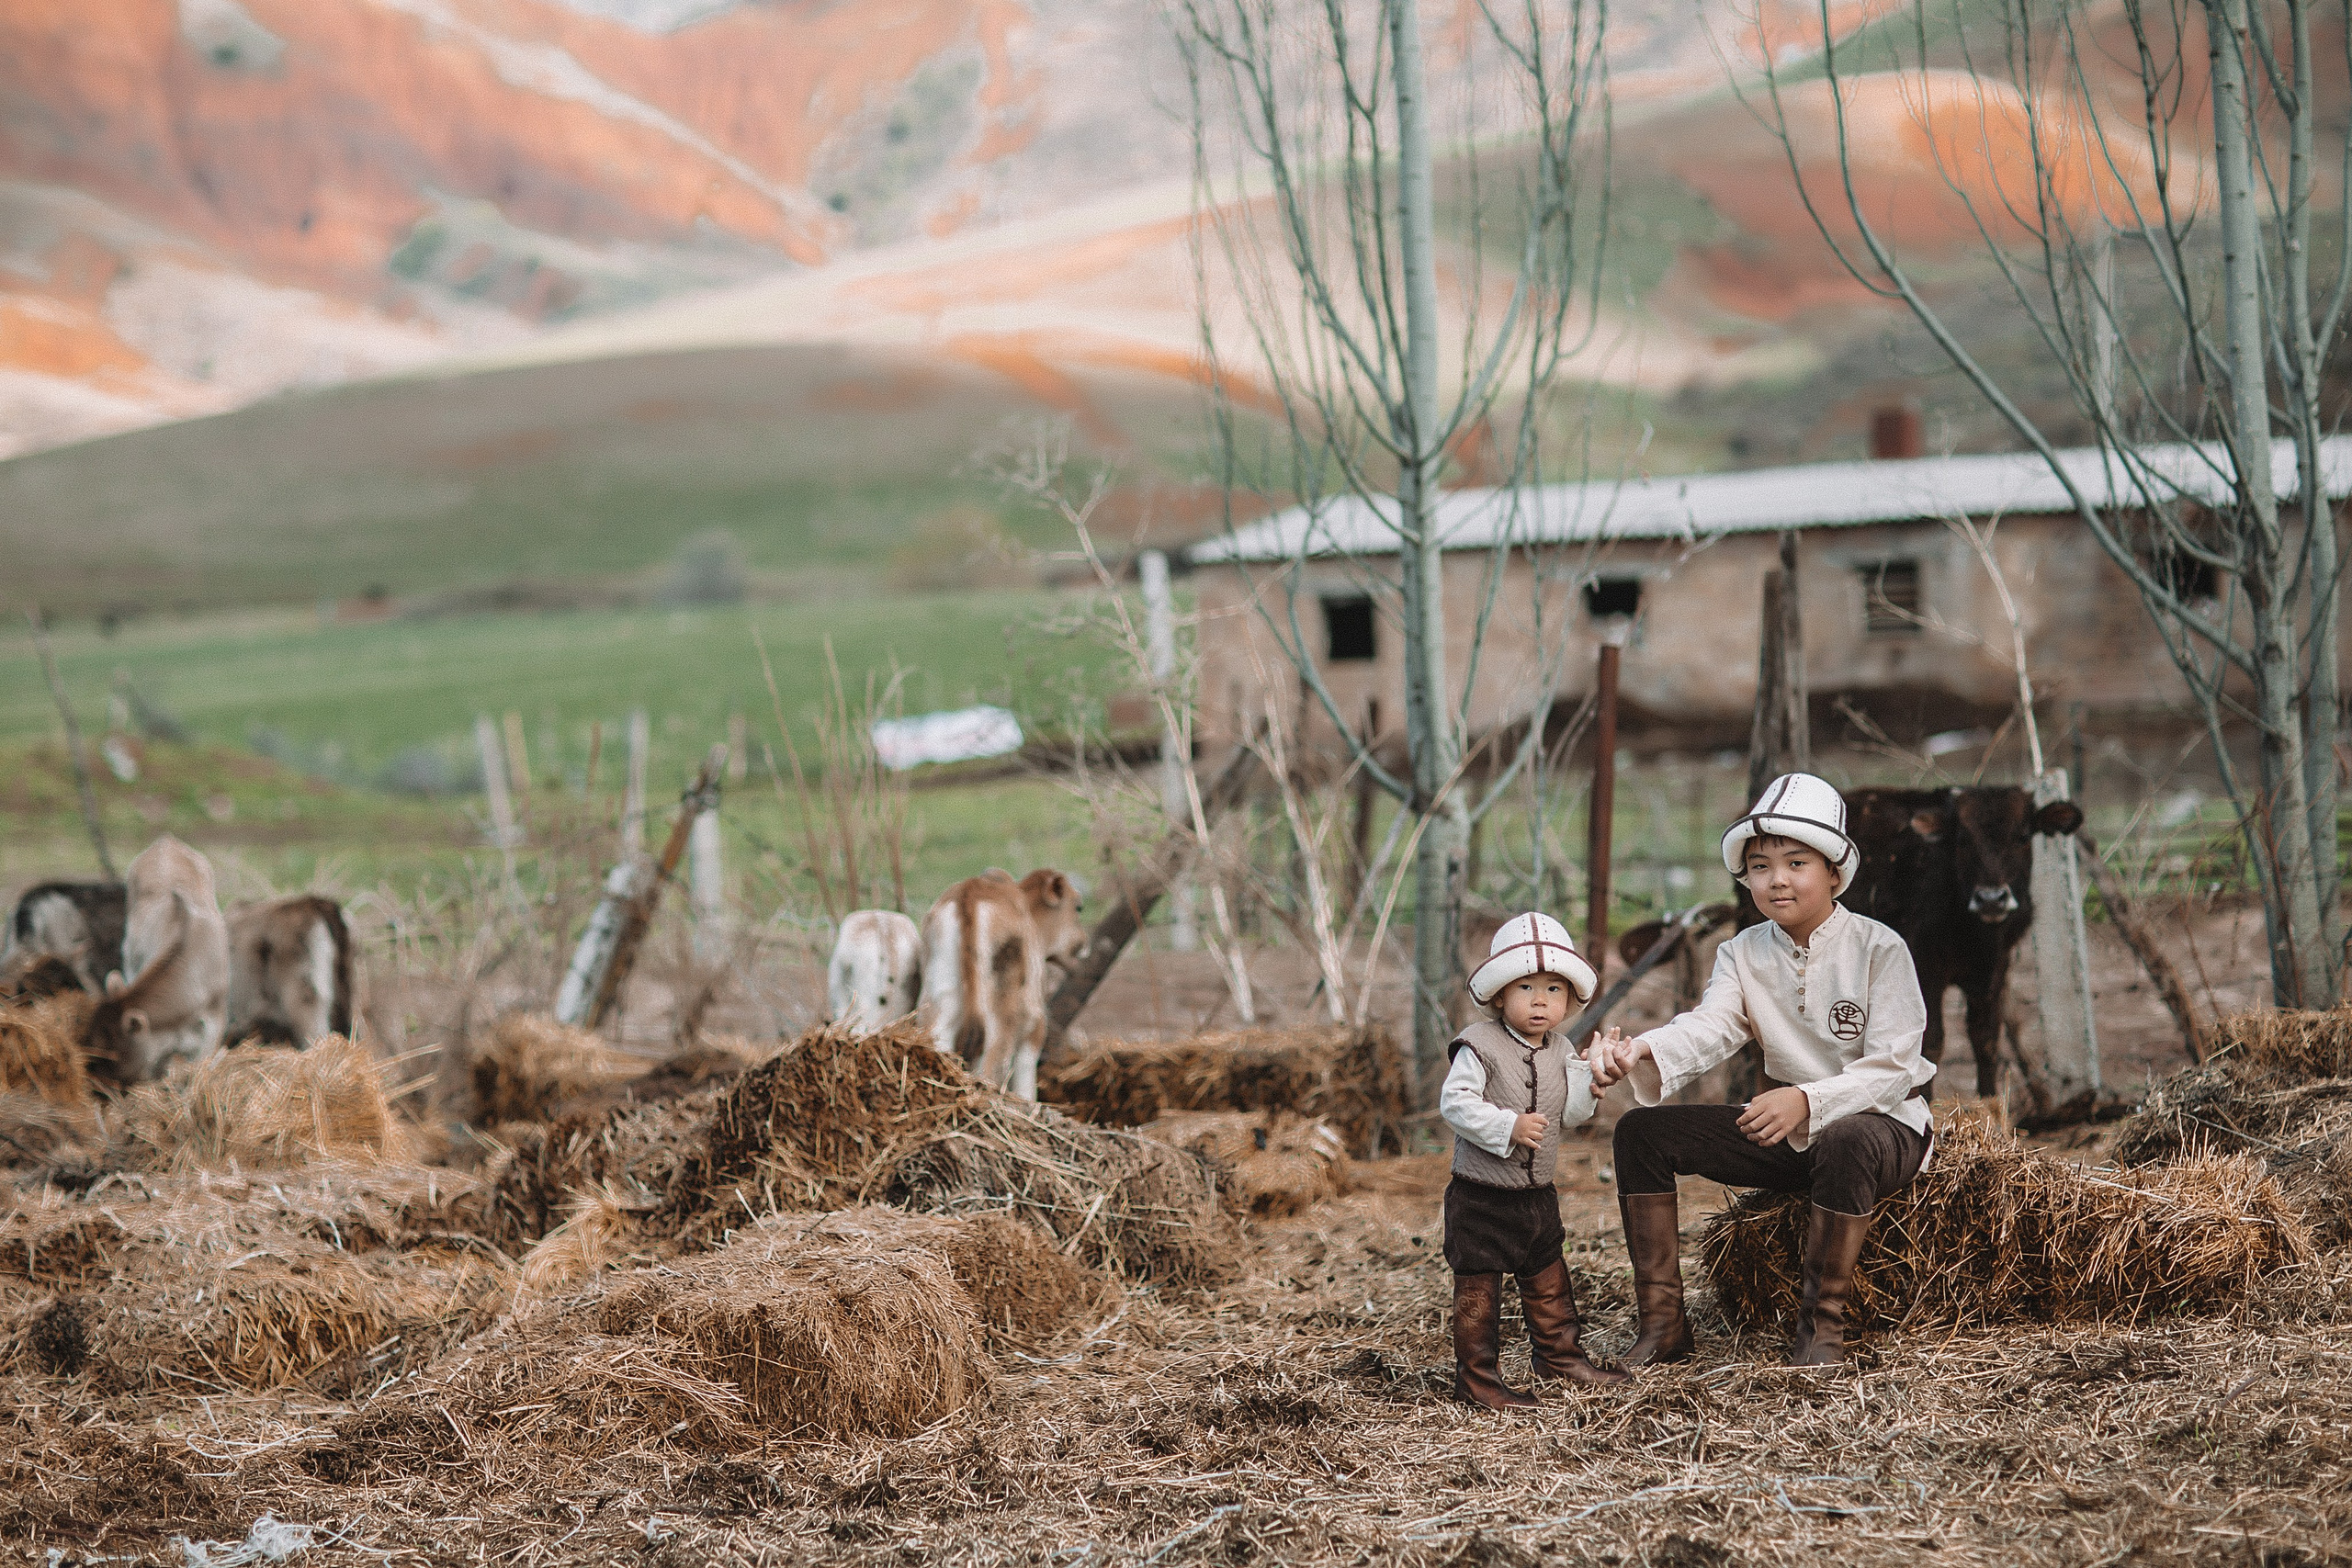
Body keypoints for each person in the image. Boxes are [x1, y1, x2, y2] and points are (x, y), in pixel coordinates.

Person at [1587, 772, 1934, 1369]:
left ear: (1835, 871)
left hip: (1884, 1129)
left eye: (1797, 862)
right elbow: (1711, 1026)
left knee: (1848, 1134)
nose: (1776, 878)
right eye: (1759, 865)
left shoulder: (1879, 948)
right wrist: (1641, 1051)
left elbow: (1896, 1068)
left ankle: (1820, 1330)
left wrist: (1806, 1098)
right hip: (1795, 1137)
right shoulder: (1743, 952)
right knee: (1641, 1134)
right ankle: (1664, 1327)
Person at [1441, 912, 1631, 1409]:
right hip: (1481, 1195)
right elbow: (1456, 1103)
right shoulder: (1478, 1045)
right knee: (1479, 1290)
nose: (1541, 1000)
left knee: (1548, 1279)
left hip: (1537, 1196)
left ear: (1569, 1000)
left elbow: (1570, 1110)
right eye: (1526, 987)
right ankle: (1478, 1379)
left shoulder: (1561, 1049)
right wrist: (1508, 1127)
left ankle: (1559, 1359)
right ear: (1500, 995)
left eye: (1553, 989)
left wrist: (1593, 1080)